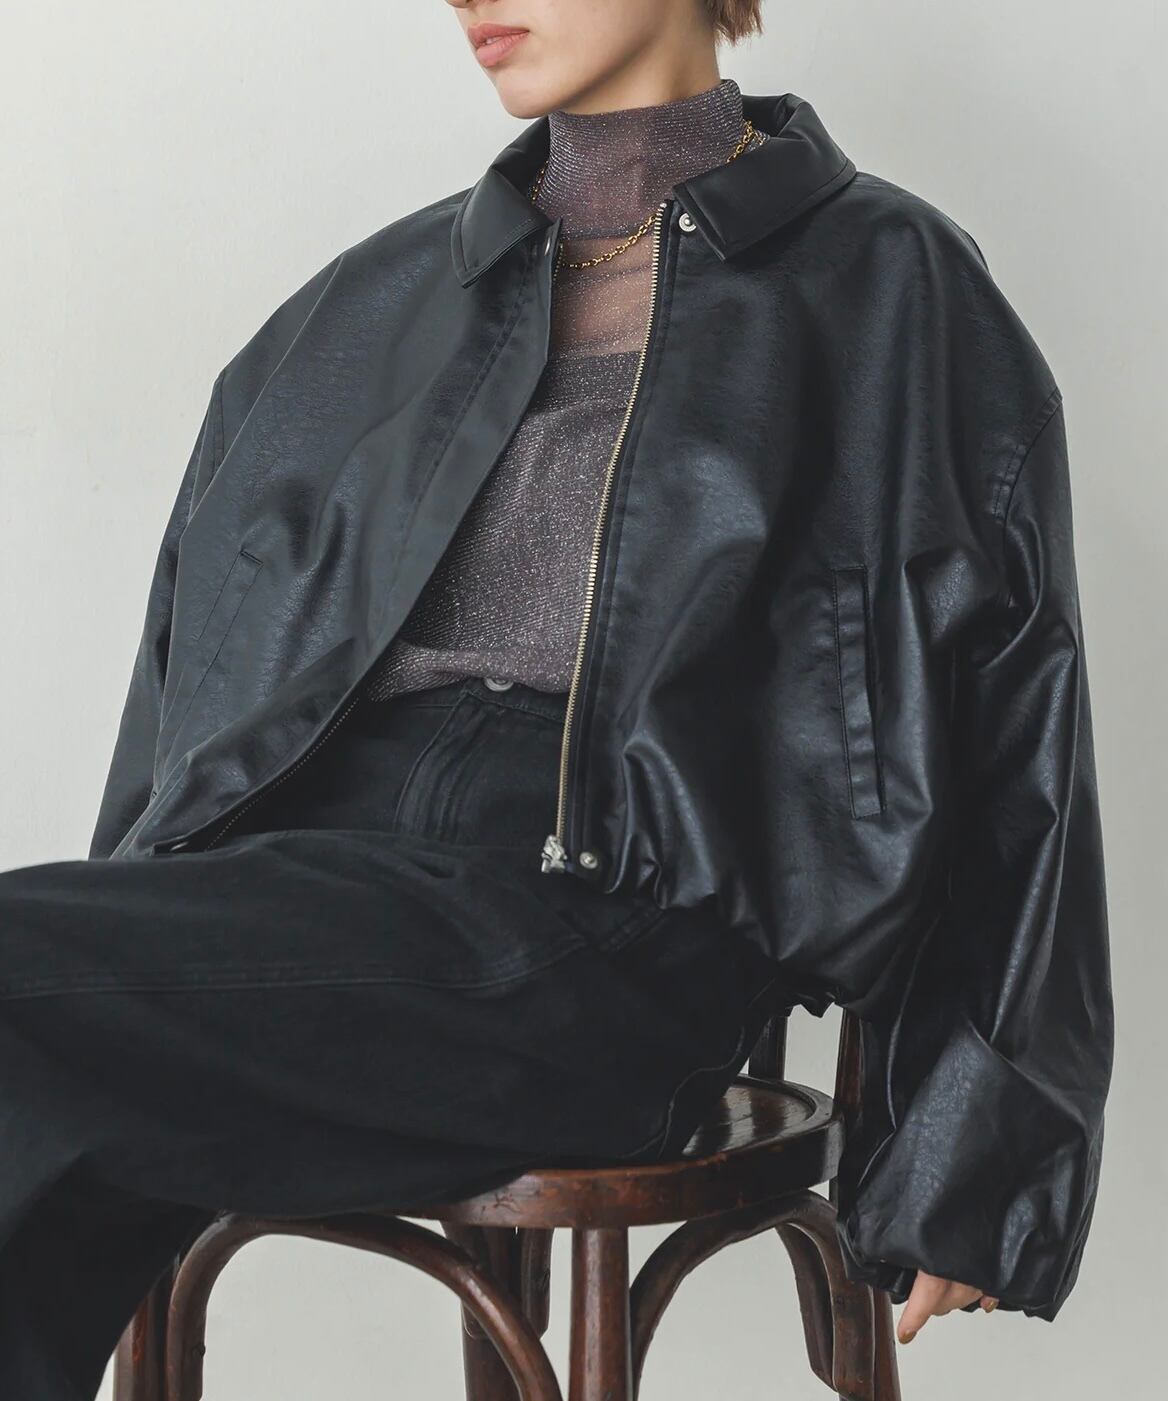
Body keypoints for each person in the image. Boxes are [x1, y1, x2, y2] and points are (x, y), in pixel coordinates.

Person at [0, 0, 1112, 1393]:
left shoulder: (891, 284)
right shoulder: (364, 307)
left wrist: (976, 1150)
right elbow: (190, 684)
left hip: (618, 911)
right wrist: (121, 937)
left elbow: (1015, 713)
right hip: (314, 885)